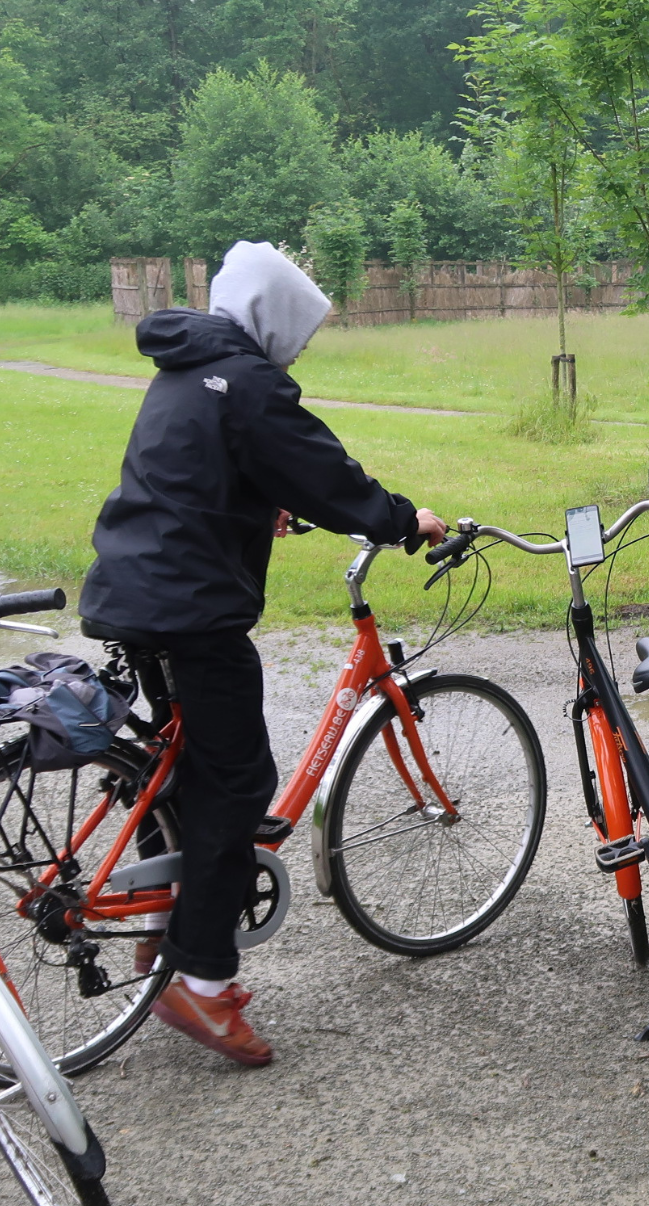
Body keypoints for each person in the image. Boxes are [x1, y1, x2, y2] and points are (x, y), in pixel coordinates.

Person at [79, 240, 447, 1067]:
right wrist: (401, 517)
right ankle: (201, 980)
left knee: (181, 771)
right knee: (239, 778)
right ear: (271, 318)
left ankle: (164, 927)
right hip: (191, 609)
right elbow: (324, 474)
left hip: (131, 591)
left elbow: (197, 472)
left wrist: (255, 503)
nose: (300, 348)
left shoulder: (184, 366)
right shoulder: (247, 382)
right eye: (299, 331)